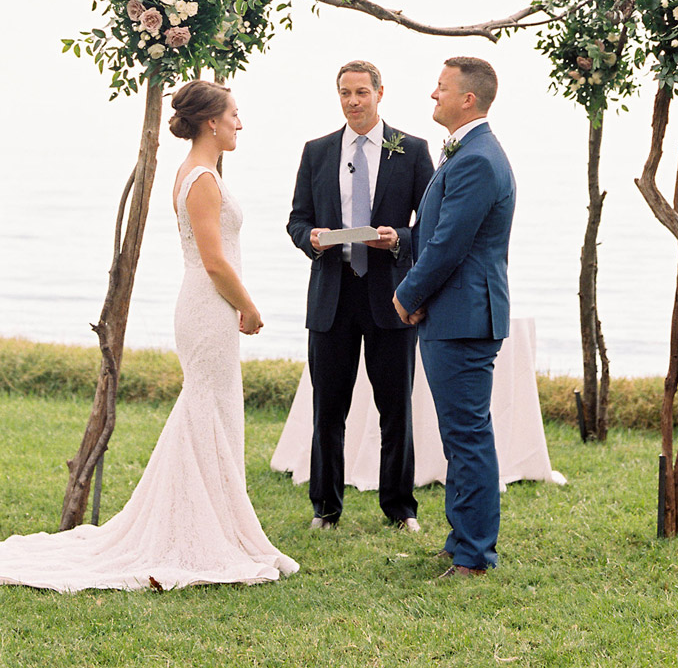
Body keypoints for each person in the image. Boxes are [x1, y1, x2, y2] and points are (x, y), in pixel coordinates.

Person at [0, 80, 298, 591]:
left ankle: (215, 521)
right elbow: (212, 261)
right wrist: (249, 306)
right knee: (207, 408)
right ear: (211, 121)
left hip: (207, 308)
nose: (239, 124)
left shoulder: (195, 173)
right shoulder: (201, 178)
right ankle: (201, 531)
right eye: (234, 115)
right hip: (210, 306)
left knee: (210, 411)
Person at [287, 60, 434, 530]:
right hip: (332, 295)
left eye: (361, 93)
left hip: (389, 295)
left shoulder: (412, 150)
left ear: (379, 93)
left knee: (396, 410)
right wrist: (309, 238)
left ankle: (399, 509)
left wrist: (397, 241)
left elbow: (429, 225)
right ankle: (325, 510)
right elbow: (297, 219)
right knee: (328, 410)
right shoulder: (317, 151)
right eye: (345, 93)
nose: (353, 101)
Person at [393, 57, 515, 578]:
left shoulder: (477, 159)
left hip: (463, 315)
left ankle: (474, 555)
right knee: (458, 434)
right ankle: (460, 537)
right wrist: (398, 238)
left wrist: (405, 294)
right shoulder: (468, 153)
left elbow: (449, 246)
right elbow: (434, 231)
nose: (432, 95)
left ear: (468, 99)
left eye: (440, 88)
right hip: (455, 311)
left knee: (467, 436)